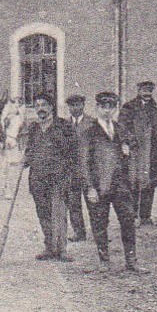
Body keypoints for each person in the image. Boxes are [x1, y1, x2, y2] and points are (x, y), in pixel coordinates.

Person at [79, 92, 147, 273]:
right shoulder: (89, 133)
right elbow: (83, 163)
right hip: (99, 186)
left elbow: (132, 154)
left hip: (121, 186)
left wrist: (128, 152)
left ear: (115, 109)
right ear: (97, 109)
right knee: (99, 224)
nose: (107, 111)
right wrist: (89, 187)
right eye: (103, 107)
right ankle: (104, 261)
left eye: (111, 107)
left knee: (128, 222)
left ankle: (131, 261)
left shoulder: (121, 129)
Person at [19, 93, 82, 262]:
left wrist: (70, 174)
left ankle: (61, 249)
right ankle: (49, 247)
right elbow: (29, 151)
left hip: (59, 179)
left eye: (44, 105)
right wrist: (25, 159)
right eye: (37, 105)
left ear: (51, 107)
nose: (40, 108)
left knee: (59, 214)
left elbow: (74, 152)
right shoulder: (33, 129)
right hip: (38, 179)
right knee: (43, 214)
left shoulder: (64, 126)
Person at [119, 80, 157, 225]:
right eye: (144, 91)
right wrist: (130, 141)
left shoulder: (153, 107)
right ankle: (133, 216)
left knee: (150, 184)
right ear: (138, 90)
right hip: (136, 152)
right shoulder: (129, 107)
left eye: (149, 91)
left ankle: (146, 216)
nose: (147, 94)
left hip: (153, 151)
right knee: (134, 184)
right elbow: (122, 128)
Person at [62, 94, 94, 242]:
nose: (75, 108)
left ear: (83, 106)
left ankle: (98, 231)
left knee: (93, 203)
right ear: (69, 107)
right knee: (73, 203)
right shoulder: (64, 124)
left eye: (78, 105)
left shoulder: (92, 123)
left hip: (88, 170)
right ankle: (79, 233)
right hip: (71, 170)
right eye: (72, 105)